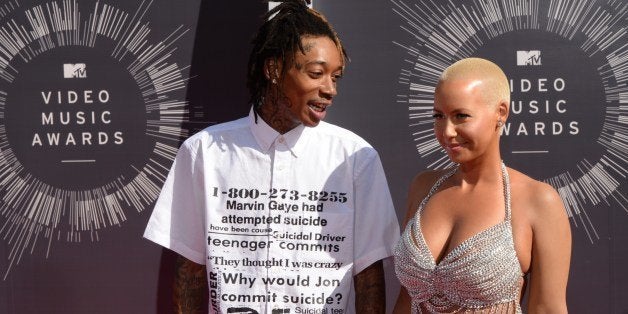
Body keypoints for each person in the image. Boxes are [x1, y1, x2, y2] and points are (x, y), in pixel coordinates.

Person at [143, 1, 399, 313]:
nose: (330, 89)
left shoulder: (356, 158)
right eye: (317, 73)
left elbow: (369, 276)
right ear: (274, 69)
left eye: (336, 77)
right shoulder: (203, 153)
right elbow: (189, 272)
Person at [392, 58, 571, 313]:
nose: (447, 131)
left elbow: (547, 308)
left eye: (461, 116)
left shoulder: (538, 201)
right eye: (438, 116)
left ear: (501, 113)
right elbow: (405, 301)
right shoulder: (423, 187)